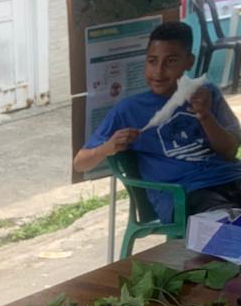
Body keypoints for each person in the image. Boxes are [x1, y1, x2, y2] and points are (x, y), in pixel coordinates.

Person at [74, 20, 241, 218]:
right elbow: (80, 163)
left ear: (189, 61)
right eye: (152, 61)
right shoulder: (129, 110)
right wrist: (107, 148)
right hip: (186, 194)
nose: (159, 71)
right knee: (225, 225)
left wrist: (205, 116)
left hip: (231, 177)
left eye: (170, 61)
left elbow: (230, 152)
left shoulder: (206, 94)